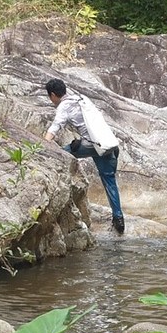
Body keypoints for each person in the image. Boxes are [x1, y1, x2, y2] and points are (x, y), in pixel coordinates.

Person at [43, 78, 126, 234]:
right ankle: (118, 218)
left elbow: (56, 126)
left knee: (60, 155)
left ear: (53, 95)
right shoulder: (81, 99)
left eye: (50, 97)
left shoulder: (64, 106)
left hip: (91, 145)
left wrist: (44, 145)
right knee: (109, 179)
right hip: (105, 144)